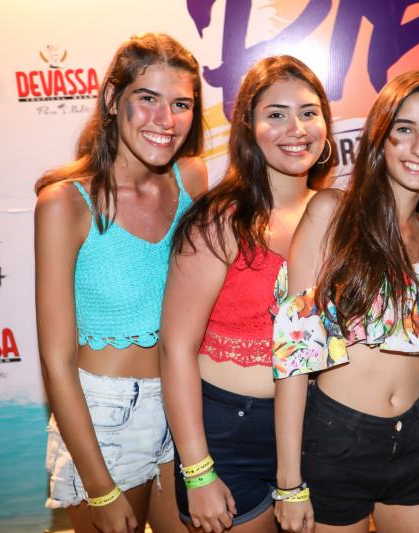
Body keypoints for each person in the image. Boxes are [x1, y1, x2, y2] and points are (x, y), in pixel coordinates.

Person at [272, 70, 419, 533]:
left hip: (416, 438)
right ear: (380, 136)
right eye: (405, 129)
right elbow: (294, 358)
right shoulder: (331, 212)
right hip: (338, 439)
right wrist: (289, 483)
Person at [35, 33, 207, 533]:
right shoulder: (65, 203)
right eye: (147, 98)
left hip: (183, 406)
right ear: (113, 99)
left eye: (181, 104)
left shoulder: (192, 179)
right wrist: (100, 488)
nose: (165, 119)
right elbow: (56, 362)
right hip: (104, 420)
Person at [160, 55, 334, 533]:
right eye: (276, 114)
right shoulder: (221, 219)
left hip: (316, 432)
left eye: (309, 112)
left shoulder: (338, 214)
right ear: (248, 129)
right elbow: (175, 347)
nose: (296, 128)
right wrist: (198, 472)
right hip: (227, 440)